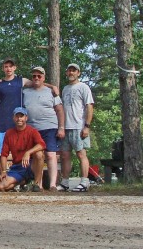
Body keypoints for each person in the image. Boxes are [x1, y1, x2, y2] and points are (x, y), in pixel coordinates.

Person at [23, 66, 64, 191]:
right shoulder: (25, 92)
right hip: (32, 128)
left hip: (50, 126)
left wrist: (61, 127)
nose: (36, 78)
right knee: (37, 155)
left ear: (43, 77)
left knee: (51, 155)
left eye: (39, 76)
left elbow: (60, 110)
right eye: (34, 76)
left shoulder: (51, 92)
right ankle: (38, 184)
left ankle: (52, 185)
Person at [57, 63, 94, 192]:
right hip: (66, 127)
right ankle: (65, 182)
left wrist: (87, 126)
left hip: (79, 126)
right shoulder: (65, 88)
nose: (71, 73)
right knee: (65, 155)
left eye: (74, 71)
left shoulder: (84, 87)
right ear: (66, 73)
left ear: (78, 73)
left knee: (81, 154)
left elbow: (89, 106)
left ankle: (84, 182)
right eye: (69, 71)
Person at [0, 107, 45, 192]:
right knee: (0, 186)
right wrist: (3, 171)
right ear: (13, 118)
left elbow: (42, 145)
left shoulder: (32, 131)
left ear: (26, 118)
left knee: (39, 154)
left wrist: (28, 153)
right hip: (17, 167)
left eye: (21, 116)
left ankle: (36, 184)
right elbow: (4, 154)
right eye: (17, 116)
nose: (19, 119)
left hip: (31, 165)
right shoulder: (9, 133)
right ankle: (22, 183)